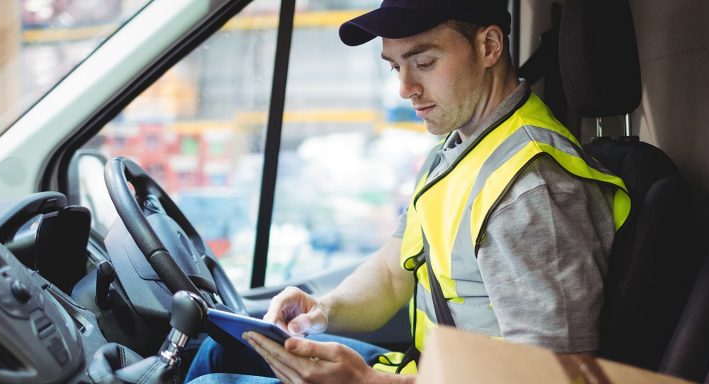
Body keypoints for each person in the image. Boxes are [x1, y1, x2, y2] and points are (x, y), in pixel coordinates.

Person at [187, 1, 630, 383]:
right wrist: (321, 309)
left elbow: (552, 376)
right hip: (424, 372)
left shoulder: (532, 188)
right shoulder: (458, 150)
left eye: (424, 62)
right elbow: (390, 272)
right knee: (221, 351)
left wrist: (367, 381)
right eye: (396, 66)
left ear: (489, 46)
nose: (405, 89)